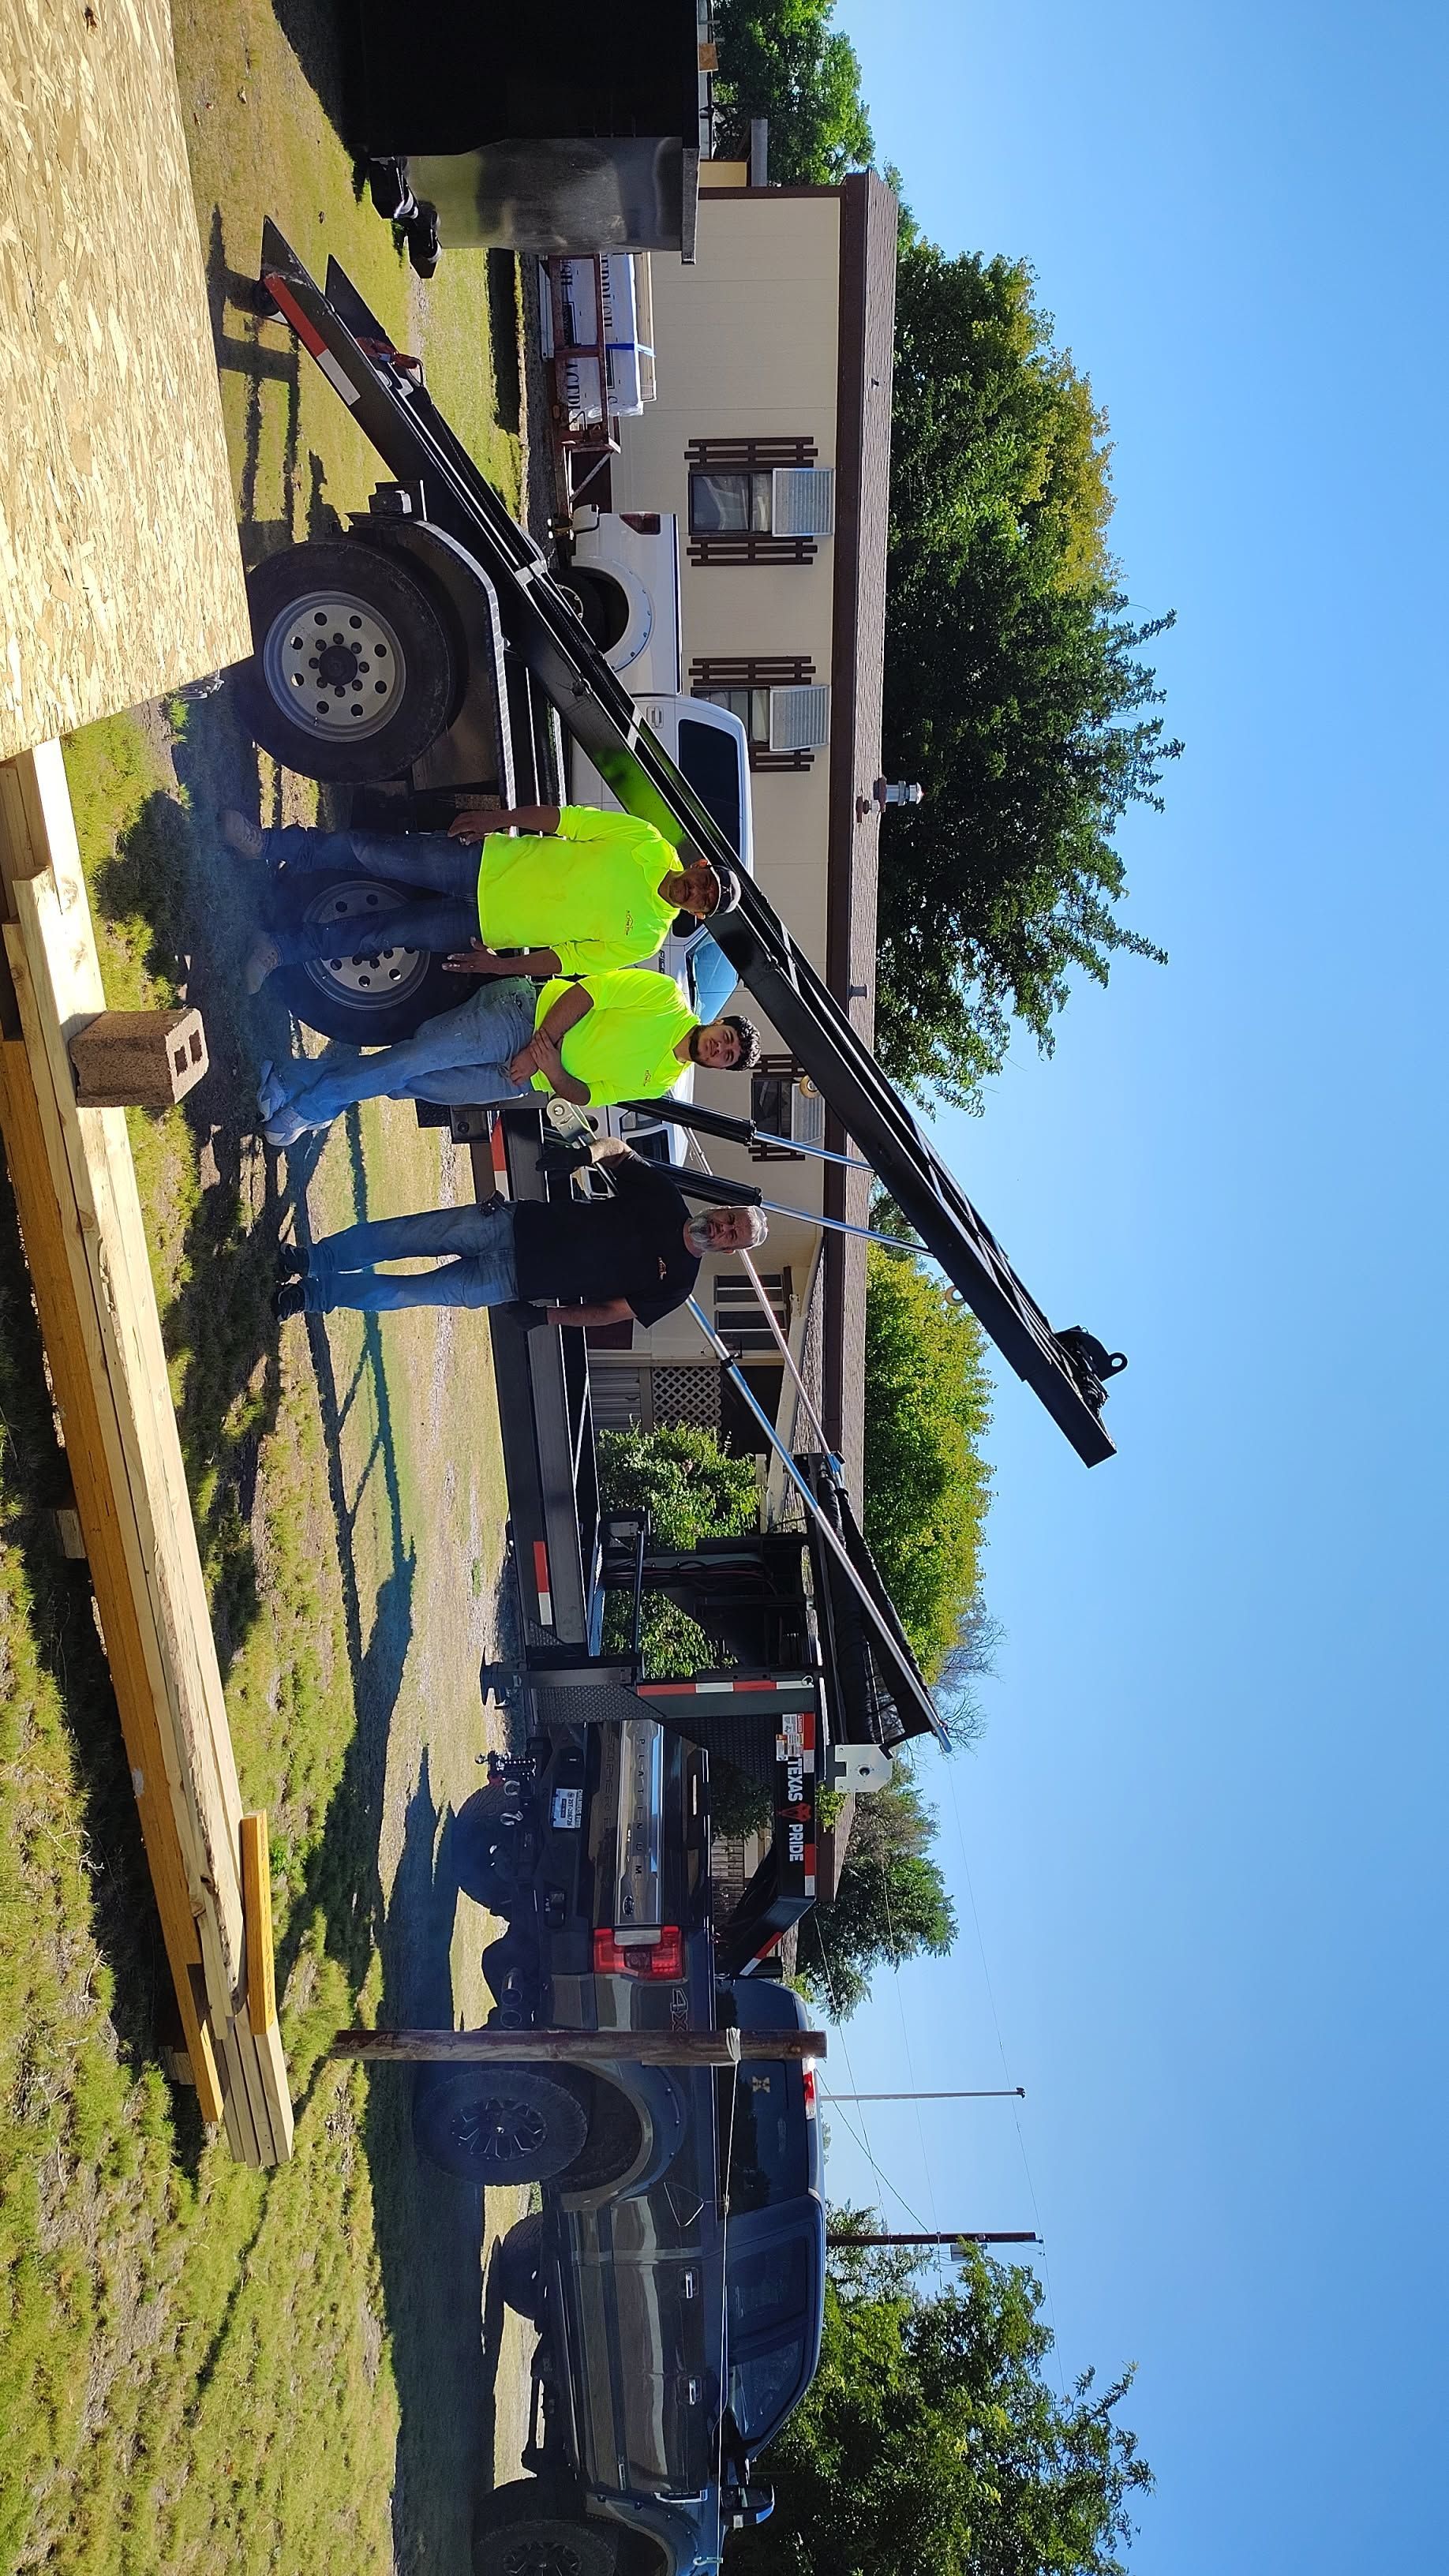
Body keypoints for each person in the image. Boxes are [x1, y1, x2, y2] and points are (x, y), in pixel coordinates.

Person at [223, 801, 729, 996]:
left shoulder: (644, 938)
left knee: (381, 935)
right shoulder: (646, 840)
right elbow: (568, 821)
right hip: (483, 861)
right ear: (700, 864)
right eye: (706, 880)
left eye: (705, 901)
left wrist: (498, 966)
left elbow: (568, 959)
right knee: (370, 852)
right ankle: (266, 845)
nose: (698, 891)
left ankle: (279, 950)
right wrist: (495, 818)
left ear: (699, 914)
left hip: (486, 927)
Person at [272, 1133, 769, 1322]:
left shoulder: (678, 1284)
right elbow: (621, 1151)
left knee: (405, 1294)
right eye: (729, 1219)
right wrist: (585, 1154)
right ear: (721, 1208)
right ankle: (312, 1259)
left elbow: (612, 1311)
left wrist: (547, 1318)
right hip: (508, 1225)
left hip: (512, 1284)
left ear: (730, 1251)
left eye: (732, 1236)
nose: (722, 1229)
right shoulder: (667, 1199)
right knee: (404, 1235)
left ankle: (312, 1297)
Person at [256, 966, 760, 1147]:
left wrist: (548, 1067)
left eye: (729, 1057)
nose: (721, 1048)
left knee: (408, 1080)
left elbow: (590, 1095)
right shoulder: (665, 996)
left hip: (520, 1079)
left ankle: (291, 1077)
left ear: (720, 1067)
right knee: (415, 1059)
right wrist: (541, 1044)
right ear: (719, 1021)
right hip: (522, 1016)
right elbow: (589, 993)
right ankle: (312, 1106)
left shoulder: (662, 1081)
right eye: (727, 1037)